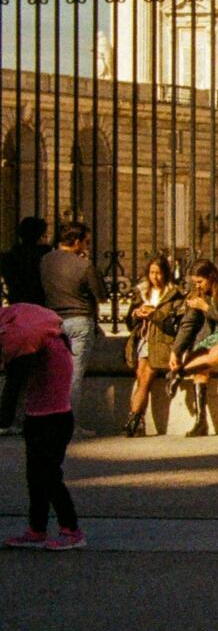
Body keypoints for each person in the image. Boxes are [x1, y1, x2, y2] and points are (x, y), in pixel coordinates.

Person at [1, 301, 80, 550]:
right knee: (37, 476)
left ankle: (72, 530)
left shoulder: (34, 347)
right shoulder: (52, 341)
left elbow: (12, 388)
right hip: (43, 418)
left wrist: (3, 419)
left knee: (48, 476)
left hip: (51, 420)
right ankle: (37, 529)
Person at [38, 222, 107, 429]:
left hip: (53, 320)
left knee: (53, 374)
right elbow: (101, 295)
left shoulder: (45, 261)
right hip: (80, 321)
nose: (86, 246)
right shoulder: (84, 265)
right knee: (74, 377)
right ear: (76, 242)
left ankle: (48, 420)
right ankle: (70, 424)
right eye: (85, 242)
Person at [171, 263, 218, 437]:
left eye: (200, 281)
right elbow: (188, 325)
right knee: (200, 372)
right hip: (206, 337)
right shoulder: (196, 294)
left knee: (214, 356)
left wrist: (206, 308)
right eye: (194, 282)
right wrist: (175, 351)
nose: (197, 286)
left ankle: (178, 374)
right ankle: (200, 423)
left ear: (211, 277)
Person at [0, 216, 47, 434]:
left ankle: (5, 419)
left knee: (15, 374)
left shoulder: (8, 257)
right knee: (42, 371)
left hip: (16, 313)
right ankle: (35, 418)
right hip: (39, 314)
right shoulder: (44, 255)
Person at [124, 255, 181, 437]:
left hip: (161, 341)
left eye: (158, 273)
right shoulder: (142, 292)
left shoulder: (174, 294)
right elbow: (129, 322)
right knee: (141, 379)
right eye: (152, 273)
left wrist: (153, 314)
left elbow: (173, 323)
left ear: (166, 274)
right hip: (143, 339)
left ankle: (133, 419)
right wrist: (136, 314)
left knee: (146, 378)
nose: (155, 277)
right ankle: (137, 420)